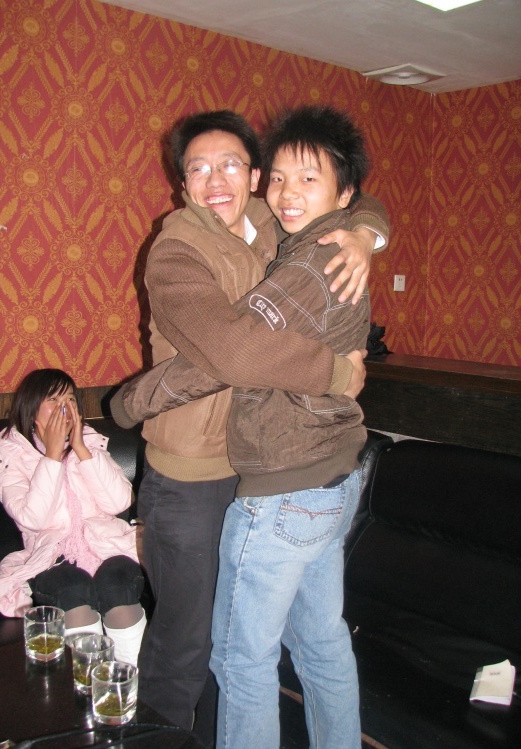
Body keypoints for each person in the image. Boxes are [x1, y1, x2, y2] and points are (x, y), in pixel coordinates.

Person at [110, 109, 388, 745]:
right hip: (191, 480)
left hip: (264, 469)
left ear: (253, 176)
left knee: (239, 654)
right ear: (182, 184)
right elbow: (232, 351)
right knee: (185, 648)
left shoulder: (276, 219)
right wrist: (338, 374)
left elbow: (348, 192)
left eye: (231, 164)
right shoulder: (175, 253)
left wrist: (364, 234)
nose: (216, 180)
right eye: (198, 169)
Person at [0, 368, 146, 666]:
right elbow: (34, 518)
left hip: (108, 545)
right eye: (53, 399)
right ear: (31, 408)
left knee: (117, 585)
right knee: (73, 589)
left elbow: (120, 502)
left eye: (70, 399)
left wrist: (81, 449)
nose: (65, 408)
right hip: (53, 555)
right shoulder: (10, 455)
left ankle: (129, 683)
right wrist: (51, 455)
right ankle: (88, 682)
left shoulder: (90, 442)